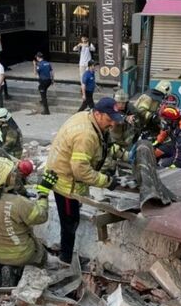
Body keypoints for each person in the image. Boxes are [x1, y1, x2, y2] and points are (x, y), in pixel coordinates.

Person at [45, 97, 123, 263]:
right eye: (109, 120)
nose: (112, 125)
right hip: (65, 184)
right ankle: (65, 259)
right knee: (69, 223)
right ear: (98, 114)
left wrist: (122, 154)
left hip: (68, 177)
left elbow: (103, 146)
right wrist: (107, 181)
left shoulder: (90, 121)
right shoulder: (86, 135)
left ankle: (67, 253)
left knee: (72, 216)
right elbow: (80, 171)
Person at [0, 157, 58, 286]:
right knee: (41, 255)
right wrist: (44, 193)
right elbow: (41, 216)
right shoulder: (18, 202)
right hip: (22, 254)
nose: (14, 175)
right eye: (11, 173)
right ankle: (17, 271)